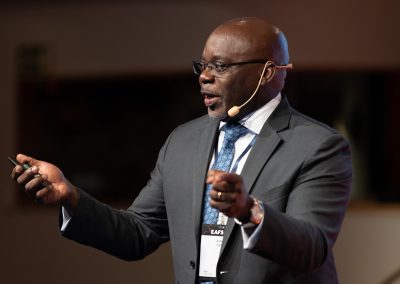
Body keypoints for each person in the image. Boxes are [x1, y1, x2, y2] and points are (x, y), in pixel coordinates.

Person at [11, 17, 352, 284]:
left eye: (220, 67)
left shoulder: (317, 146)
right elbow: (137, 233)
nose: (204, 77)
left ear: (266, 73)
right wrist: (70, 196)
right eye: (201, 66)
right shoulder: (183, 141)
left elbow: (313, 247)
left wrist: (250, 210)